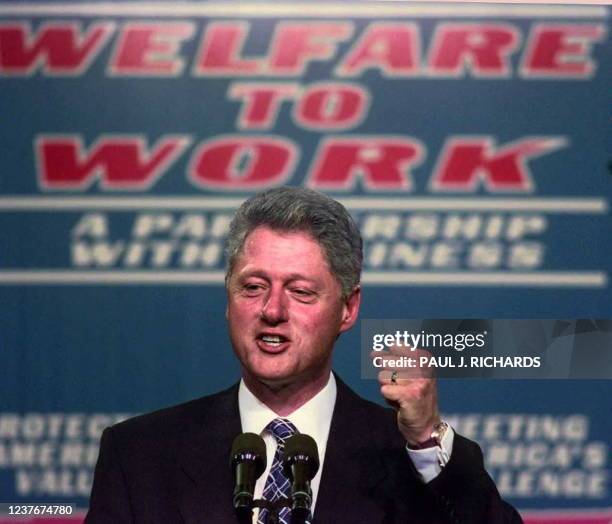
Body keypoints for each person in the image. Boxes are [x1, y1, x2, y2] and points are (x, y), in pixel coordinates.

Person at [86, 187, 522, 524]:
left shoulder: (404, 456)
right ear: (228, 297)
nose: (272, 310)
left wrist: (426, 440)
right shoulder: (139, 455)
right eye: (253, 287)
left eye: (300, 291)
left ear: (348, 309)